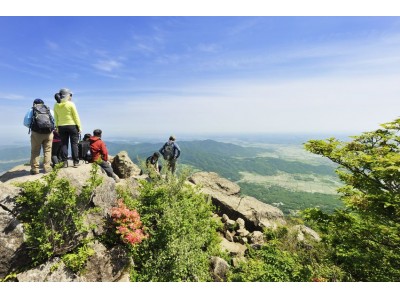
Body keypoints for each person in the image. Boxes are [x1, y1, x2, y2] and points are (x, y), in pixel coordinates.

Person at [23, 98, 55, 174]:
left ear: (34, 104)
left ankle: (35, 169)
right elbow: (54, 121)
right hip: (49, 133)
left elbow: (26, 122)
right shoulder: (49, 110)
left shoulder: (32, 110)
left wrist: (34, 128)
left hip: (36, 133)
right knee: (47, 150)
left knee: (35, 151)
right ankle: (47, 168)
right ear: (43, 103)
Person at [53, 88, 82, 168]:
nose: (71, 96)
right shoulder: (71, 104)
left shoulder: (56, 105)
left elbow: (56, 118)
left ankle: (65, 162)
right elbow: (76, 116)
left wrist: (57, 127)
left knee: (64, 144)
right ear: (67, 95)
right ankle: (76, 162)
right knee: (74, 144)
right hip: (72, 126)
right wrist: (79, 127)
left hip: (61, 127)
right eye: (70, 95)